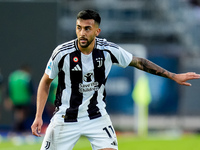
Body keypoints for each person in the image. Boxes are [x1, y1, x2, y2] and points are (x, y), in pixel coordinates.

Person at [31, 9, 200, 150]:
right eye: (79, 28)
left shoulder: (107, 50)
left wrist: (173, 75)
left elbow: (139, 62)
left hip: (96, 117)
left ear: (97, 31)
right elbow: (45, 82)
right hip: (65, 117)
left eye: (87, 28)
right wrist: (38, 116)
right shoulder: (62, 53)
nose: (82, 33)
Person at [7, 65, 35, 132]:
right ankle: (17, 129)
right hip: (24, 99)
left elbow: (9, 89)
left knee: (18, 115)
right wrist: (33, 97)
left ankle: (18, 129)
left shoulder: (13, 76)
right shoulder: (26, 77)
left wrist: (9, 98)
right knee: (22, 115)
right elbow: (30, 89)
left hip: (15, 99)